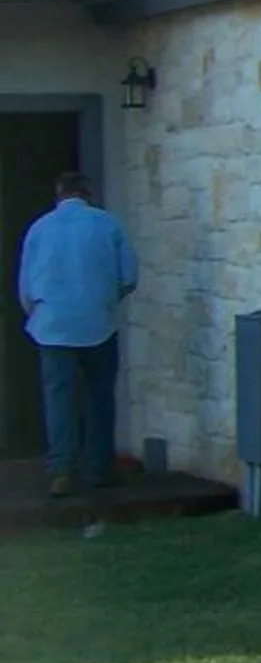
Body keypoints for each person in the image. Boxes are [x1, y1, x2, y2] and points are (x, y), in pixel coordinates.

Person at [17, 170, 137, 497]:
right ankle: (98, 468)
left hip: (52, 326)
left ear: (58, 195)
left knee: (59, 399)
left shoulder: (39, 228)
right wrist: (105, 302)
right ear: (88, 193)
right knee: (100, 397)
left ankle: (62, 469)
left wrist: (42, 316)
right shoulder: (107, 224)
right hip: (98, 323)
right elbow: (128, 277)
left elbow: (26, 288)